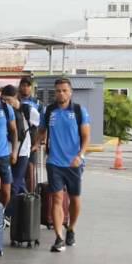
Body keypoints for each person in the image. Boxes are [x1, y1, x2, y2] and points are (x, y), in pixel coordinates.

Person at [41, 77, 91, 252]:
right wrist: (35, 143)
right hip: (54, 162)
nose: (61, 93)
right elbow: (42, 130)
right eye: (58, 90)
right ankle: (59, 237)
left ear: (70, 92)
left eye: (64, 90)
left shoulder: (79, 111)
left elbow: (86, 137)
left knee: (74, 199)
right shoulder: (49, 111)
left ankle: (71, 228)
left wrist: (80, 155)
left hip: (73, 163)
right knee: (57, 198)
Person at [2, 84, 39, 207]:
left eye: (9, 100)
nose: (6, 103)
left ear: (16, 97)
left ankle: (8, 214)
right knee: (19, 185)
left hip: (23, 151)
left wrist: (37, 143)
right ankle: (30, 209)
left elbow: (43, 126)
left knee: (14, 185)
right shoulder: (4, 110)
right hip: (7, 150)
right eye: (4, 100)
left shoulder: (28, 110)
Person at [18, 77, 42, 188]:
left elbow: (42, 124)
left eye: (28, 85)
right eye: (23, 85)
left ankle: (30, 196)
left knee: (30, 169)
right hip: (18, 138)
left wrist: (38, 143)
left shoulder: (37, 103)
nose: (25, 88)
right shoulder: (15, 100)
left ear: (31, 87)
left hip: (32, 138)